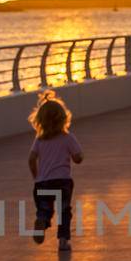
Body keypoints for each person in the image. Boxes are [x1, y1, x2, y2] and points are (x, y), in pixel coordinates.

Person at [28, 90, 83, 252]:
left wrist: (36, 177)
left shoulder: (39, 140)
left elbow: (31, 159)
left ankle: (42, 221)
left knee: (45, 209)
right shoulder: (67, 138)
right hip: (62, 182)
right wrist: (79, 157)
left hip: (42, 183)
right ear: (63, 118)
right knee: (64, 211)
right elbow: (78, 157)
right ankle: (63, 241)